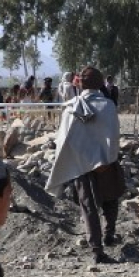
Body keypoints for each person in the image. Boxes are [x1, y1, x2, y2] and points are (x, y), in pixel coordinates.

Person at [46, 67, 123, 263]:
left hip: (81, 166)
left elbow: (64, 140)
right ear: (100, 84)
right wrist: (107, 160)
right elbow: (114, 135)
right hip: (106, 163)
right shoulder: (108, 106)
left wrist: (80, 161)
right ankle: (109, 234)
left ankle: (97, 250)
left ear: (80, 84)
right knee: (111, 199)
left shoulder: (71, 107)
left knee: (88, 207)